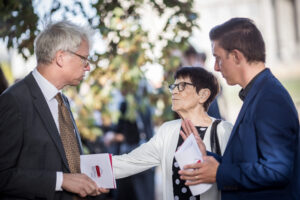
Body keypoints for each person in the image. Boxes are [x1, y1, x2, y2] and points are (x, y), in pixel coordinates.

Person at [179, 18, 300, 200]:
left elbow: (277, 170)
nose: (215, 67)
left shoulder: (270, 99)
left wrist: (220, 173)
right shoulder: (259, 92)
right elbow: (251, 162)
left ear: (236, 56)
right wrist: (207, 156)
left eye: (218, 58)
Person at [0, 21, 108, 199]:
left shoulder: (62, 100)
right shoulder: (14, 101)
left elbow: (64, 160)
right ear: (60, 57)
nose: (88, 66)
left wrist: (86, 182)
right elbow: (3, 175)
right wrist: (61, 181)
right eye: (84, 59)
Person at [112, 66, 233, 200]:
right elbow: (131, 162)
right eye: (173, 86)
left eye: (181, 86)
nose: (174, 91)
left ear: (203, 95)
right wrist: (88, 169)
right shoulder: (168, 130)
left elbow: (236, 176)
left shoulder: (223, 130)